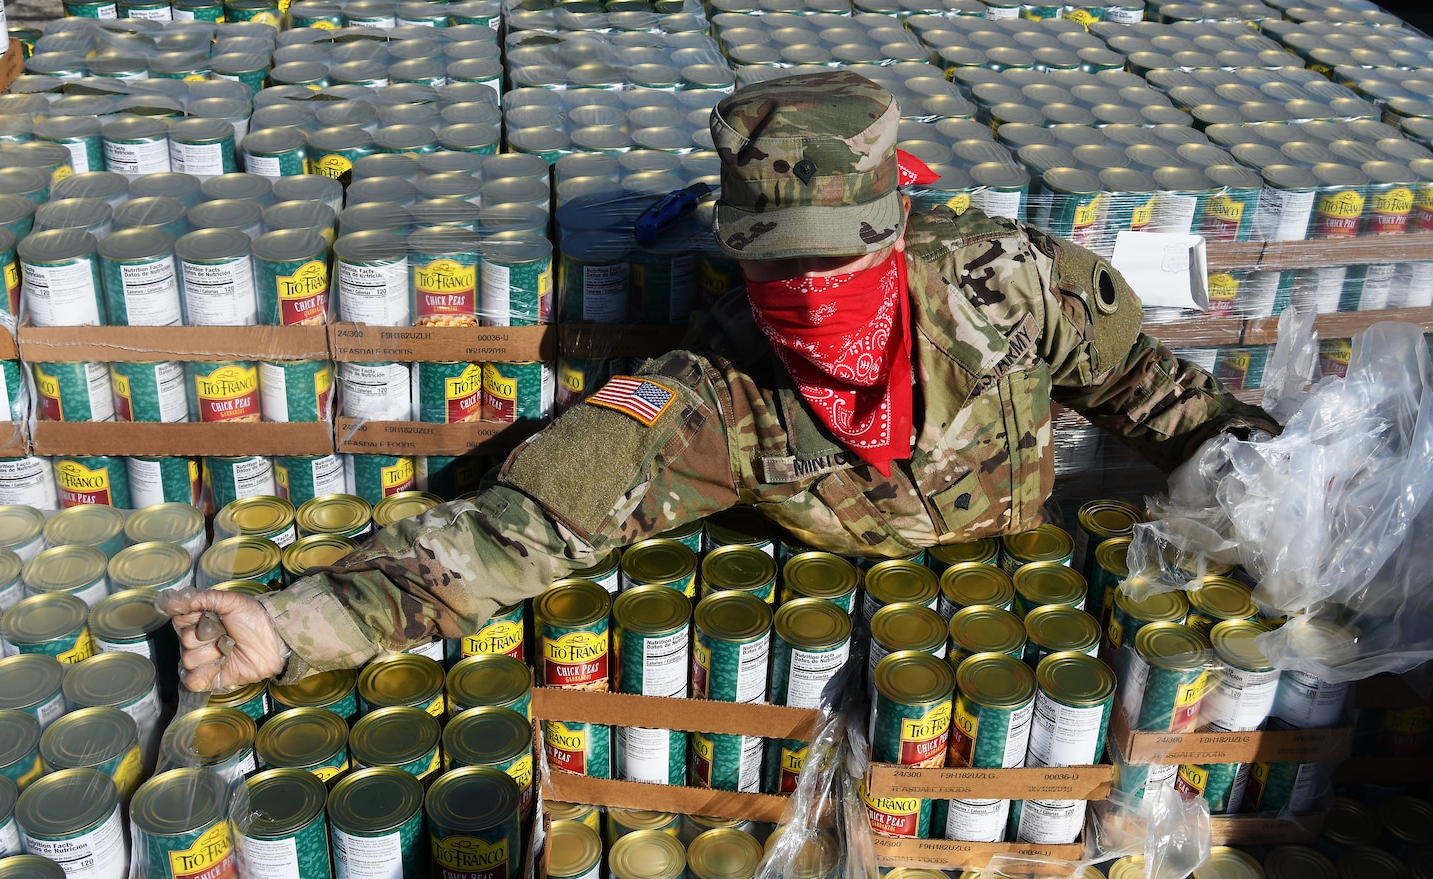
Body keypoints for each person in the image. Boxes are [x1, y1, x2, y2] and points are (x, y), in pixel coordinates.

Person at [168, 70, 1278, 692]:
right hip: (856, 668)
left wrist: (1285, 493)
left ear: (895, 236)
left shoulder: (1010, 284)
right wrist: (298, 625)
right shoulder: (708, 400)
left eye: (835, 264)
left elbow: (1151, 392)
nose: (808, 296)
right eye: (776, 270)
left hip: (1048, 631)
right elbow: (512, 538)